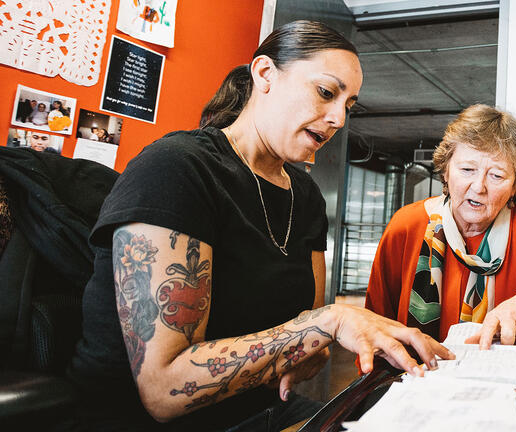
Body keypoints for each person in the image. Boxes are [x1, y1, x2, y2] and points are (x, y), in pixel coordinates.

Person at [66, 20, 452, 431]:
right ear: (265, 74)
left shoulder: (305, 197)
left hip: (259, 414)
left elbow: (312, 349)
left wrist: (311, 340)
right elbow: (163, 389)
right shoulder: (176, 169)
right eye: (326, 92)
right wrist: (326, 323)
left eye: (349, 105)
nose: (338, 118)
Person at [365, 104, 516, 348]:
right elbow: (375, 323)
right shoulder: (406, 224)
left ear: (515, 186)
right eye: (467, 169)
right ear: (446, 170)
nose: (479, 187)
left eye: (497, 176)